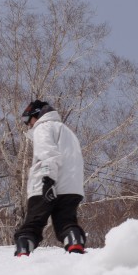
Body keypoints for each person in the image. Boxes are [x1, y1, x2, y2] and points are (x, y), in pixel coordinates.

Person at [13, 99, 87, 256]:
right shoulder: (67, 131)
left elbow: (48, 154)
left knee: (33, 223)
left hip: (47, 184)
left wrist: (47, 179)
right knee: (66, 223)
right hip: (71, 188)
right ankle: (75, 244)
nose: (28, 125)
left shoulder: (43, 127)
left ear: (36, 115)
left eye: (27, 119)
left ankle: (23, 252)